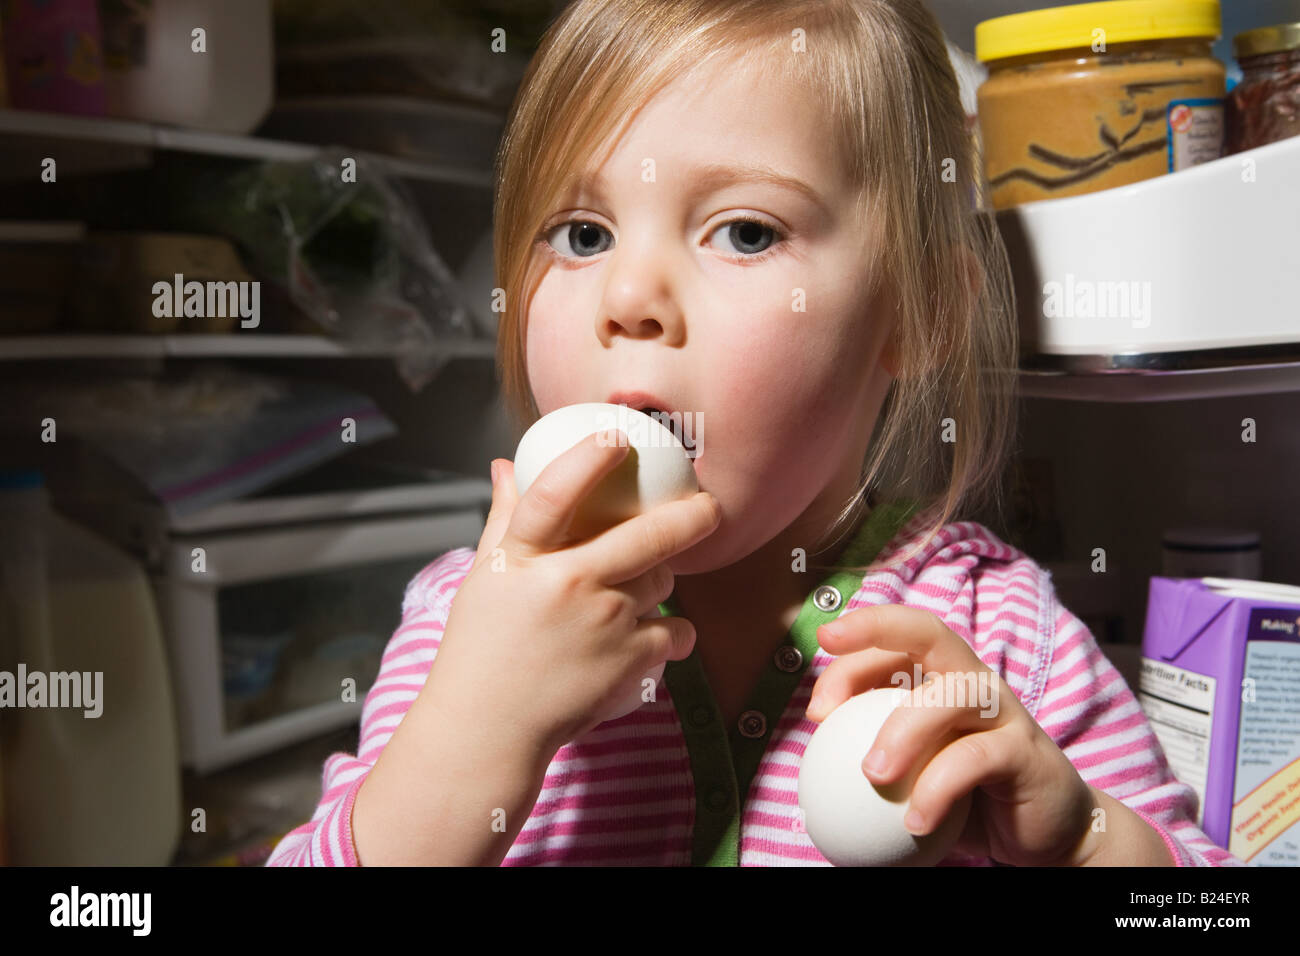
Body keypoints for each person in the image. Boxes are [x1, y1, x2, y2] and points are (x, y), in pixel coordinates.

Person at [267, 0, 1243, 867]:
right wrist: (473, 731)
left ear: (918, 312)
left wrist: (1077, 839)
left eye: (743, 231)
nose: (629, 296)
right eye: (581, 233)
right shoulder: (462, 626)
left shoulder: (1001, 636)